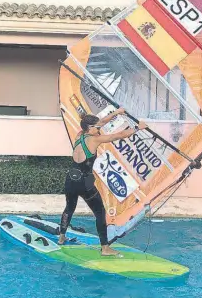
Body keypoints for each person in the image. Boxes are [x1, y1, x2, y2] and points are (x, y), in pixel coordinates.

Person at [58, 108, 147, 257]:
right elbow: (118, 135)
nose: (99, 129)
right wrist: (138, 128)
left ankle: (61, 237)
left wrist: (116, 112)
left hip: (70, 180)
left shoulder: (78, 135)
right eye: (97, 128)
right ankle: (105, 248)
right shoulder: (95, 139)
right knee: (100, 213)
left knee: (69, 208)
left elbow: (101, 122)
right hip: (84, 183)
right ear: (89, 128)